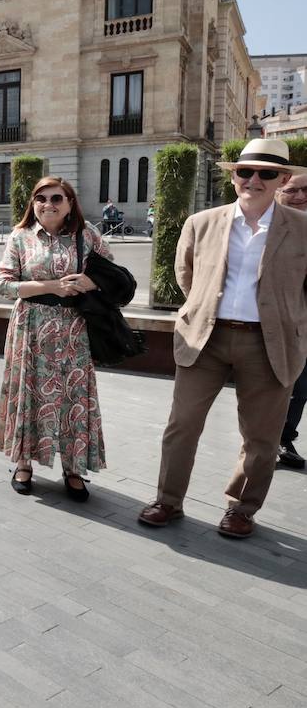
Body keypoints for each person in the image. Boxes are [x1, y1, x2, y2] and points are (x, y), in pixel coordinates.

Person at [138, 138, 307, 538]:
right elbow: (187, 276)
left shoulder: (302, 229)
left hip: (270, 345)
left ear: (282, 179)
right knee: (182, 424)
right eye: (245, 171)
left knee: (261, 437)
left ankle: (242, 509)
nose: (254, 180)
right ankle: (168, 499)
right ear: (234, 177)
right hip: (205, 340)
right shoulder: (202, 222)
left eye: (267, 173)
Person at [0, 177, 113, 501]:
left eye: (56, 198)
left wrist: (87, 283)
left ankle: (73, 469)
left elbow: (112, 276)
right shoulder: (21, 237)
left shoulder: (87, 236)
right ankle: (23, 463)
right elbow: (3, 285)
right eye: (41, 198)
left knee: (74, 397)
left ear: (70, 203)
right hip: (30, 328)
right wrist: (51, 286)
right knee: (28, 392)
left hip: (74, 329)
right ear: (33, 204)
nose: (48, 204)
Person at [275, 171, 307, 469]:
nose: (300, 196)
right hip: (275, 328)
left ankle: (284, 438)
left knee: (301, 391)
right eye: (292, 190)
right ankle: (264, 442)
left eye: (306, 190)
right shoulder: (268, 228)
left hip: (305, 328)